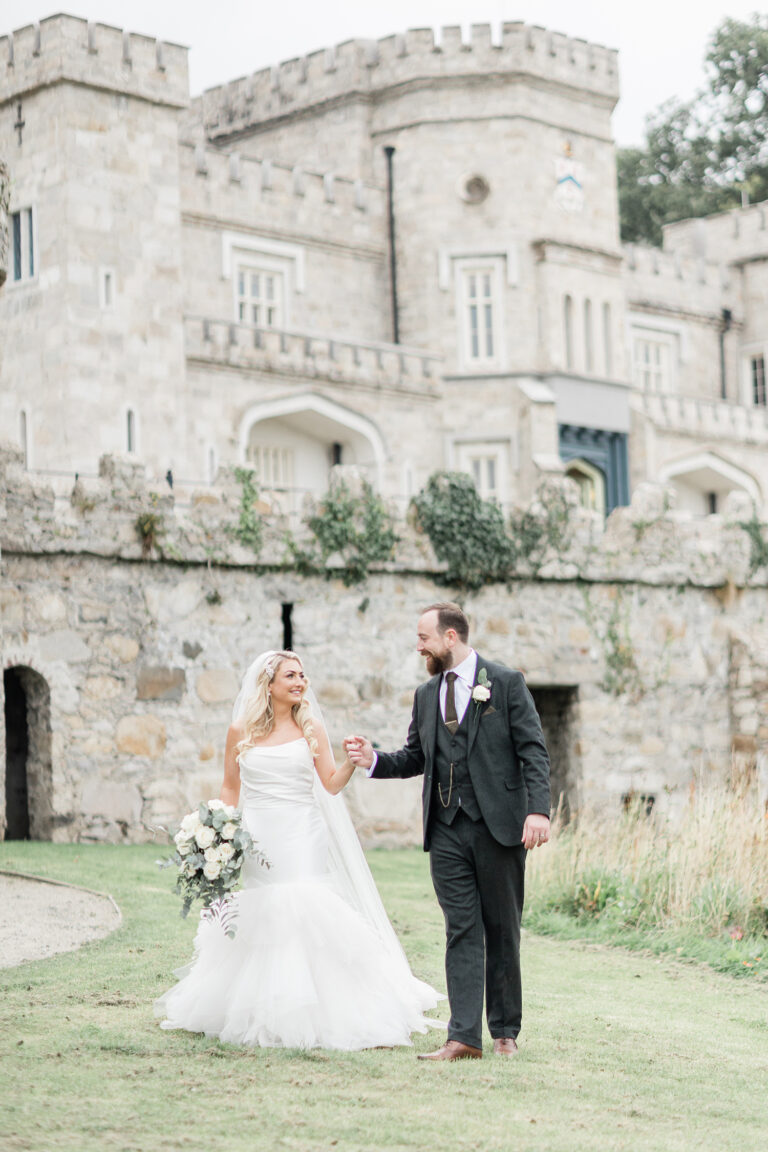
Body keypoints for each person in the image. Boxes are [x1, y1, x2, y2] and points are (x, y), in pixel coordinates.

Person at [154, 649, 444, 1050]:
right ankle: (261, 1006)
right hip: (258, 834)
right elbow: (229, 787)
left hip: (302, 831)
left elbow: (330, 783)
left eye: (302, 675)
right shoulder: (240, 730)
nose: (299, 682)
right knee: (265, 911)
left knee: (304, 903)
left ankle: (323, 1009)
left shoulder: (311, 729)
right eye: (290, 675)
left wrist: (351, 762)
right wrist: (218, 831)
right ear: (268, 684)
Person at [345, 603, 551, 1061]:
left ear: (450, 637)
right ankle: (462, 1037)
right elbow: (416, 757)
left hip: (499, 828)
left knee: (501, 930)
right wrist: (374, 760)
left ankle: (503, 1032)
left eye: (424, 639)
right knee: (461, 929)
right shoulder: (425, 694)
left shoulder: (506, 683)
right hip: (445, 830)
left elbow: (534, 751)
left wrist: (538, 811)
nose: (419, 647)